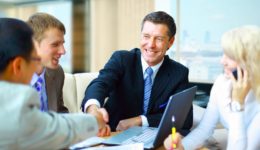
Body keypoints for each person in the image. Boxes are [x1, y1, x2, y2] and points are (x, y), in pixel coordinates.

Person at [81, 11, 192, 136]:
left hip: (152, 139)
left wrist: (141, 121)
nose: (151, 44)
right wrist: (93, 109)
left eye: (159, 39)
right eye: (146, 36)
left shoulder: (179, 73)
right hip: (114, 134)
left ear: (170, 42)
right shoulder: (122, 59)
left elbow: (185, 118)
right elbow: (100, 84)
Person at [0, 18, 105, 149]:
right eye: (34, 60)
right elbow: (51, 128)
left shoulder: (56, 73)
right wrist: (94, 121)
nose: (63, 51)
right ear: (18, 65)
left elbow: (59, 114)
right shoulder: (16, 104)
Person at [164, 25, 260, 150]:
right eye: (224, 54)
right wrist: (181, 146)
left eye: (230, 56)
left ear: (250, 61)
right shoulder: (222, 83)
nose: (222, 61)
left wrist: (238, 104)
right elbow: (205, 129)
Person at [27, 12, 68, 112]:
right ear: (33, 45)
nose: (63, 51)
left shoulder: (57, 73)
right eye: (55, 45)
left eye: (62, 44)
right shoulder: (9, 78)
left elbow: (60, 112)